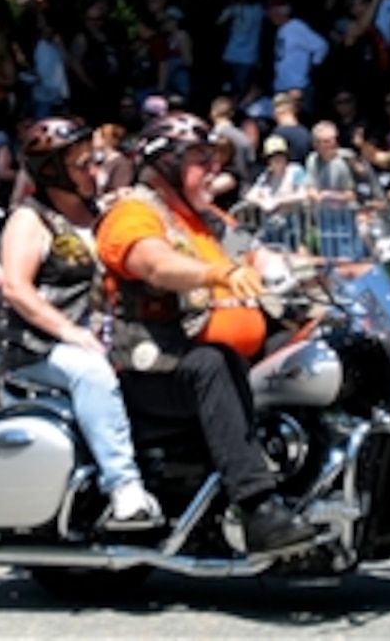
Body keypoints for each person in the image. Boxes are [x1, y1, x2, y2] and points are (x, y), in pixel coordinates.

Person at [95, 111, 317, 554]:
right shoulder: (135, 213)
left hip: (211, 355)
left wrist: (327, 270)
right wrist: (217, 272)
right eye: (201, 159)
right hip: (156, 366)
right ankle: (257, 508)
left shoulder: (207, 219)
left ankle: (313, 479)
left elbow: (258, 256)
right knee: (214, 364)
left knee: (311, 354)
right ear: (168, 166)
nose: (214, 169)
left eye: (213, 158)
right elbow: (154, 263)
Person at [0, 117, 162, 529]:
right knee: (92, 374)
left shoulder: (98, 213)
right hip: (34, 347)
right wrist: (68, 332)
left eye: (95, 161)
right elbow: (15, 288)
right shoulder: (30, 221)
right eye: (83, 164)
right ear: (51, 171)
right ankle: (125, 490)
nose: (94, 171)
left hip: (102, 336)